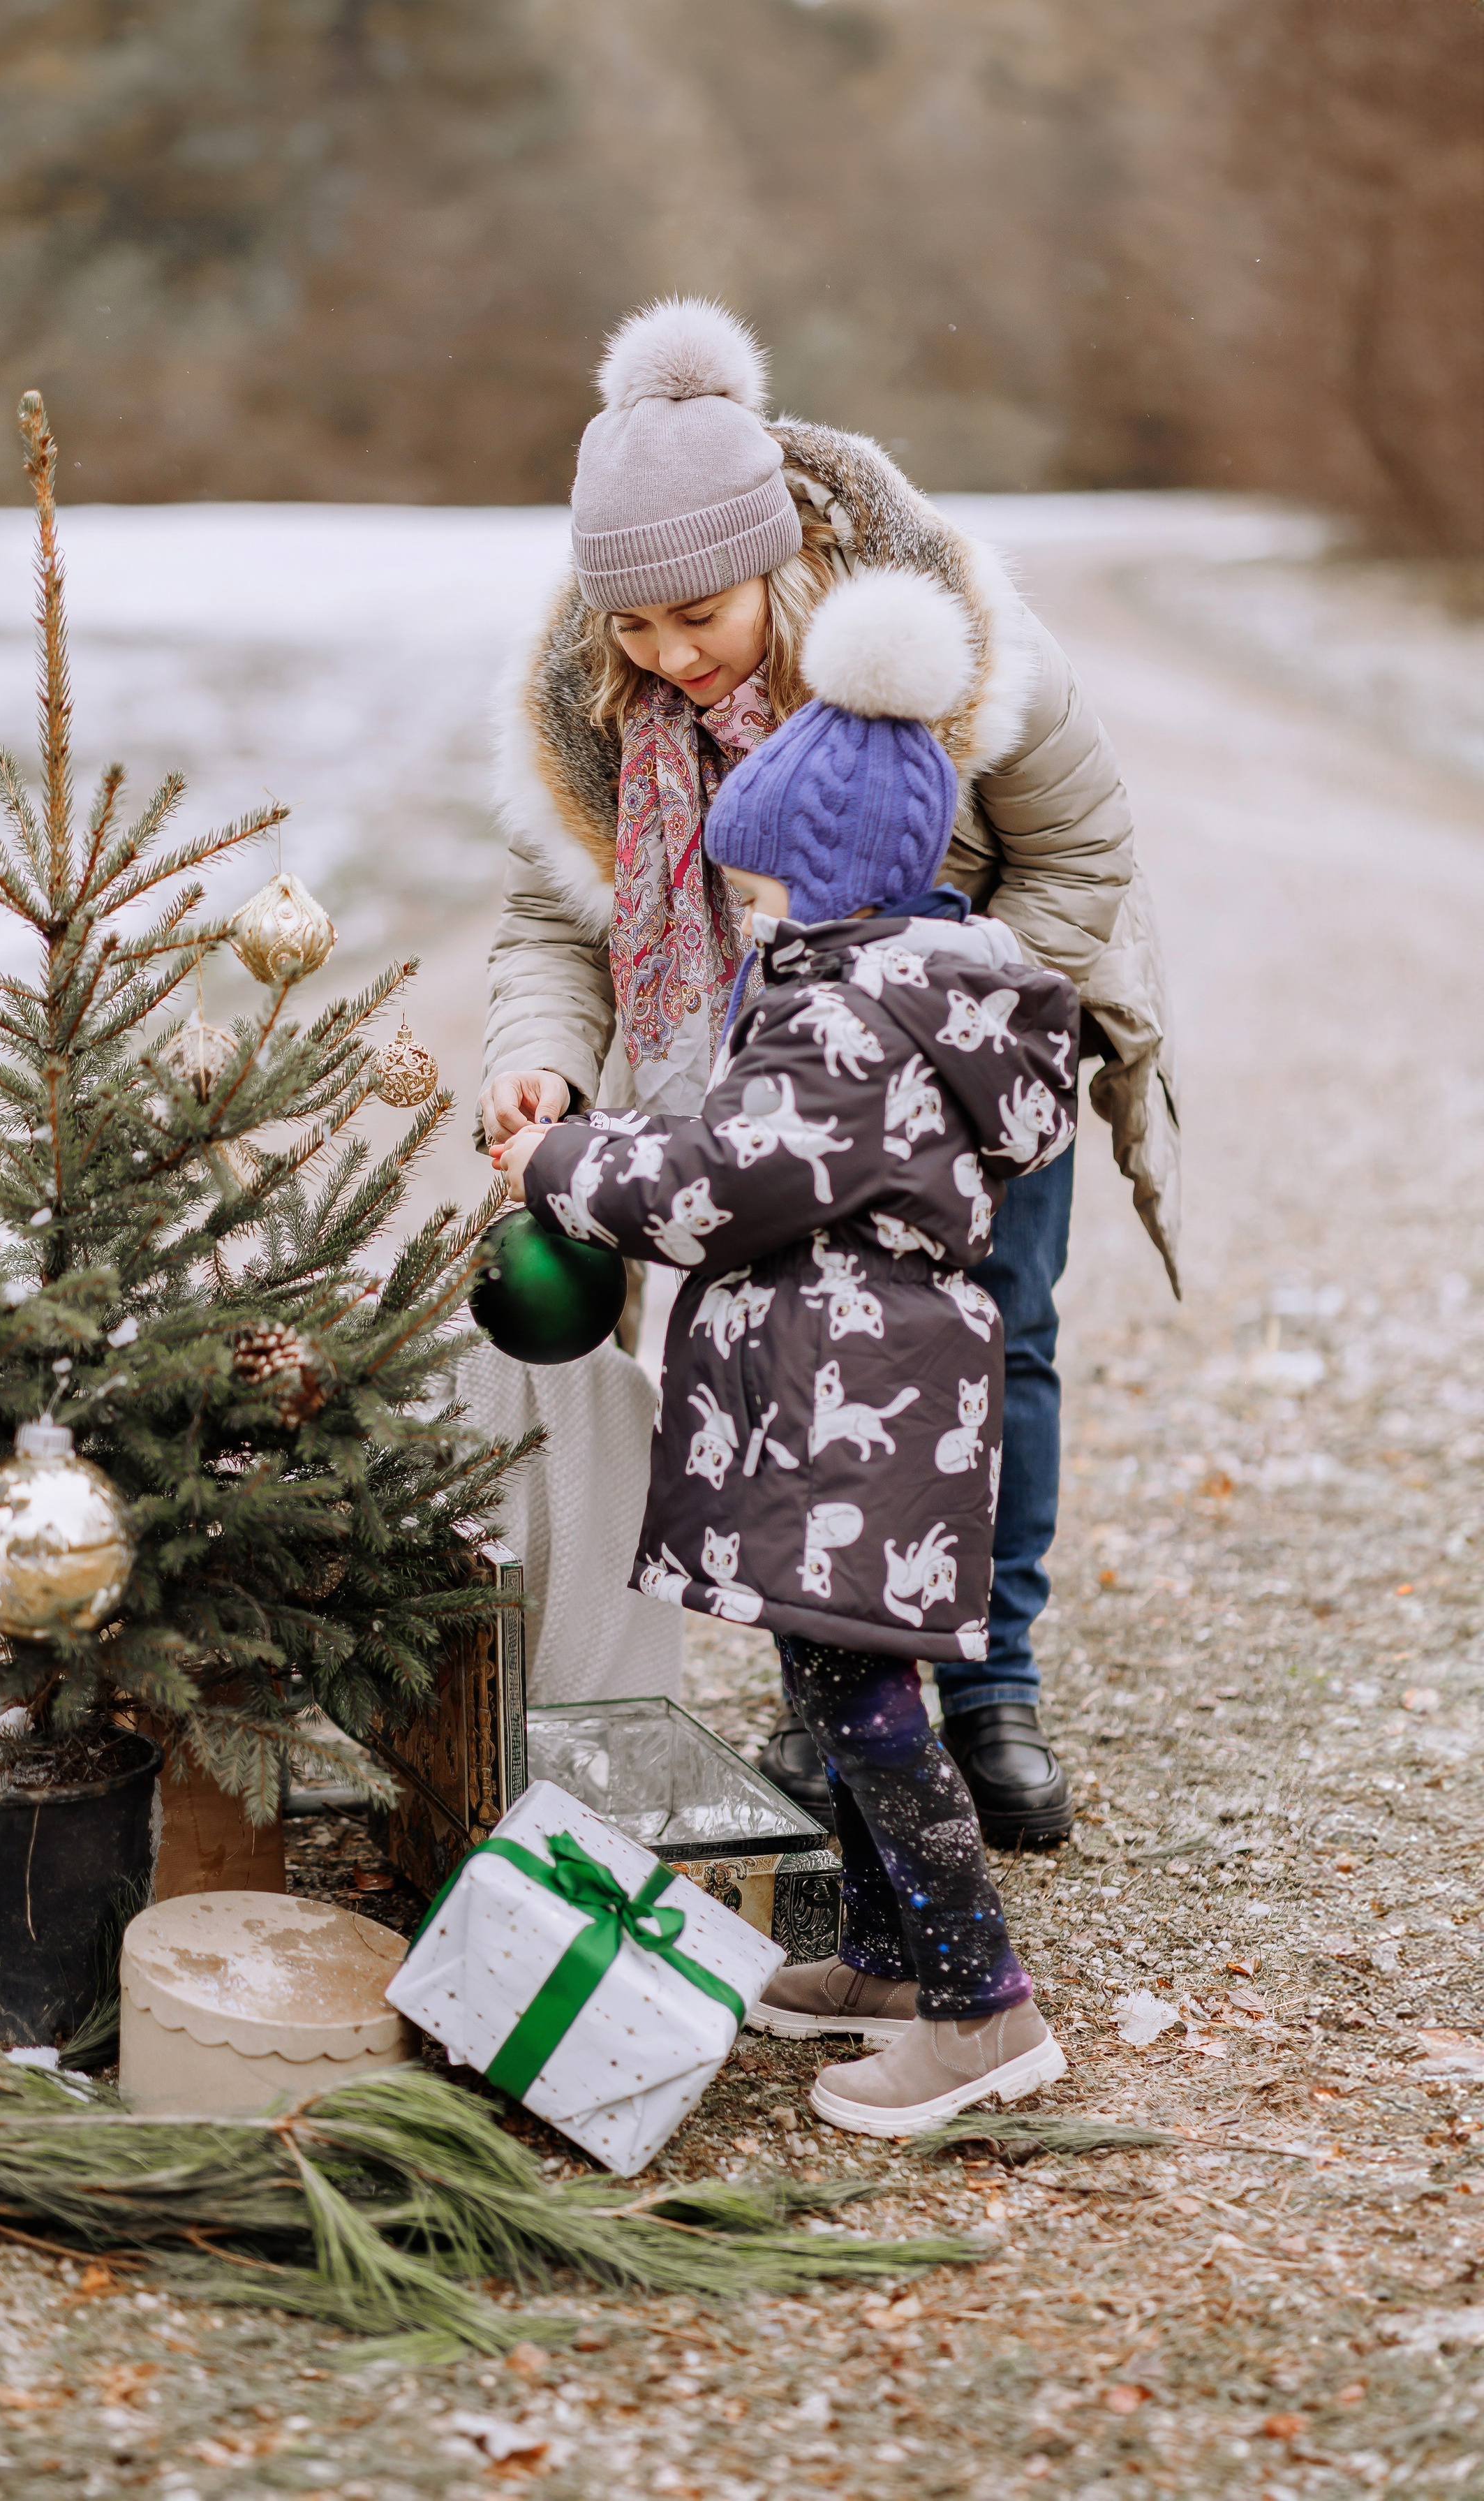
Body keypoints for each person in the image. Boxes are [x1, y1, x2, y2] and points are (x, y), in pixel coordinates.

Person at [477, 295, 1179, 1849]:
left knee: (992, 1338)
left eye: (700, 621)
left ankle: (989, 1680)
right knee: (800, 1355)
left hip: (973, 1041)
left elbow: (1083, 853)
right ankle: (836, 1695)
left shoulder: (951, 641)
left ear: (780, 559)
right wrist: (540, 1075)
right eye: (631, 629)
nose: (663, 654)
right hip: (757, 1065)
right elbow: (548, 923)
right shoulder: (592, 713)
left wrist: (938, 1033)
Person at [490, 574, 1074, 2128]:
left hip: (847, 1407)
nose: (737, 917)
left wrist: (563, 1169)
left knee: (871, 1711)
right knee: (834, 1683)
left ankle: (980, 2013)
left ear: (817, 885)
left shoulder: (841, 1024)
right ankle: (887, 1960)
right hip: (859, 1399)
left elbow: (708, 1187)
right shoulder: (907, 1000)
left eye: (750, 894)